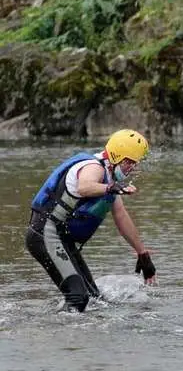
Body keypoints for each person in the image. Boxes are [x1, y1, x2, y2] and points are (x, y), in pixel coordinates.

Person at [25, 129, 157, 312]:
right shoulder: (93, 167)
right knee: (78, 298)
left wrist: (142, 253)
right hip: (45, 234)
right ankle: (61, 337)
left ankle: (86, 334)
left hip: (61, 239)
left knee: (94, 299)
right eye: (130, 163)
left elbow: (121, 216)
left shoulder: (109, 178)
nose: (132, 168)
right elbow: (85, 187)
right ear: (118, 157)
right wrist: (112, 188)